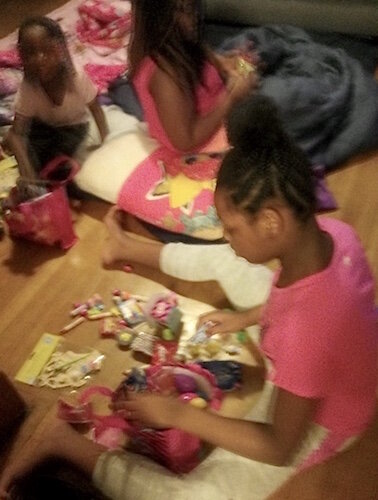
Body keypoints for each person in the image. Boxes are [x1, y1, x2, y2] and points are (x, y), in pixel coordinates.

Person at [1, 95, 376, 500]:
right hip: (323, 358)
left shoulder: (307, 335)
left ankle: (64, 443)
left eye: (231, 229)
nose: (228, 240)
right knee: (231, 265)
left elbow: (278, 447)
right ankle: (129, 248)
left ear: (270, 221)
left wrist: (173, 413)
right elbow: (301, 304)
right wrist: (248, 317)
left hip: (318, 421)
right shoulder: (334, 238)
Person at [128, 0, 258, 153]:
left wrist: (243, 64)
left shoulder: (187, 44)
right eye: (186, 10)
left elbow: (223, 65)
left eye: (194, 7)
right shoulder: (165, 73)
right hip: (204, 149)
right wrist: (230, 98)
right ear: (160, 18)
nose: (195, 16)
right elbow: (185, 142)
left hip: (225, 118)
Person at [4, 16, 108, 186]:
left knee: (69, 166)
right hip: (46, 130)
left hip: (75, 129)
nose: (39, 59)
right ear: (22, 56)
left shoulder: (76, 78)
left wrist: (106, 143)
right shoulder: (29, 87)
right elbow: (17, 133)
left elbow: (96, 109)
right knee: (28, 145)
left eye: (46, 50)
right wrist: (28, 175)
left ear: (60, 49)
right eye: (30, 53)